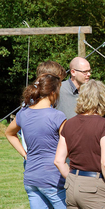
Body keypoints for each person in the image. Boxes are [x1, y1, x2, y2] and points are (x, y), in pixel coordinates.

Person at [5, 73, 67, 209]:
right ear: (53, 92)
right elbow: (69, 144)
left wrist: (25, 154)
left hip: (31, 178)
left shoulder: (23, 113)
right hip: (52, 178)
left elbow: (9, 133)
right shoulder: (58, 116)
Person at [54, 79, 105, 209]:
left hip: (71, 187)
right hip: (95, 187)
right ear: (103, 99)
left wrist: (72, 179)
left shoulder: (69, 123)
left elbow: (59, 161)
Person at [20, 60, 67, 153]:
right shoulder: (34, 101)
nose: (60, 85)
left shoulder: (46, 101)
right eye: (59, 82)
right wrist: (25, 155)